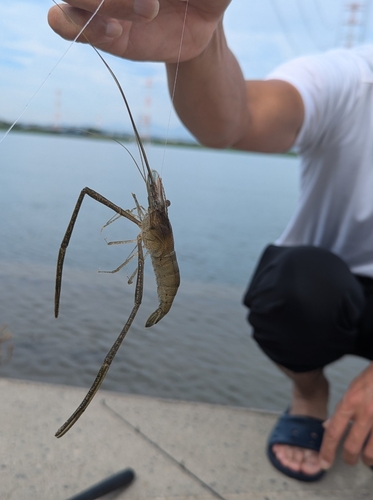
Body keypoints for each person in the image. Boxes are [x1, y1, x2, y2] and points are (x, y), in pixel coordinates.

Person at [48, 0, 373, 482]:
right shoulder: (354, 78)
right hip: (337, 288)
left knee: (138, 304)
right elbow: (235, 119)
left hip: (165, 273)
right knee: (295, 285)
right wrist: (193, 48)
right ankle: (309, 394)